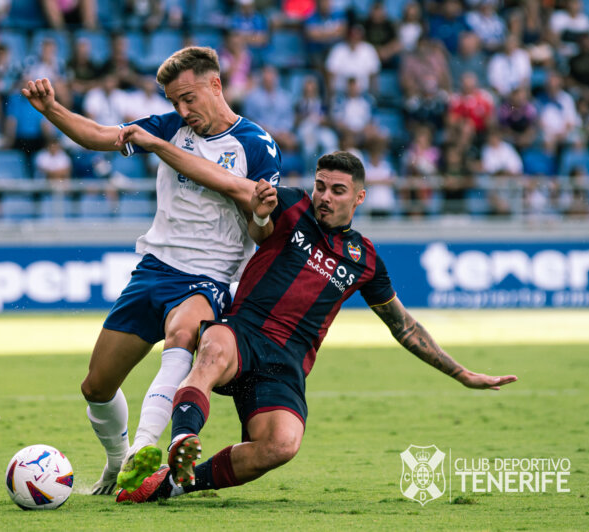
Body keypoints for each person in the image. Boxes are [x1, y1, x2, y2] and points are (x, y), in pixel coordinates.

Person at [109, 150, 517, 503]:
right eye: (320, 186)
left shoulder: (365, 258)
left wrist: (462, 373)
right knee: (212, 349)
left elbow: (404, 326)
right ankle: (182, 439)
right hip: (242, 333)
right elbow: (258, 226)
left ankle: (172, 484)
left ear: (359, 197)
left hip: (286, 364)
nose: (324, 196)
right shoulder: (292, 205)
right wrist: (259, 211)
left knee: (282, 444)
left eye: (337, 190)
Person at [20, 46, 281, 496]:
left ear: (215, 84)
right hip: (154, 269)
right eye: (174, 101)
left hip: (210, 276)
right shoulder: (170, 128)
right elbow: (98, 136)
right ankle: (117, 459)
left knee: (182, 335)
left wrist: (259, 214)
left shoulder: (256, 145)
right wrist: (52, 109)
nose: (182, 110)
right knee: (96, 386)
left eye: (188, 98)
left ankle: (142, 450)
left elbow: (263, 232)